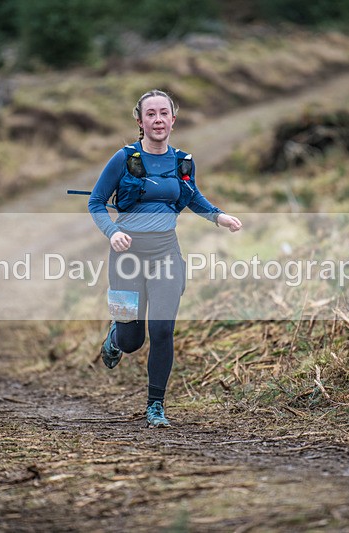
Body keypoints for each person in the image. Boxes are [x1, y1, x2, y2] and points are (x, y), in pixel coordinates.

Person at [88, 89, 242, 428]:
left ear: (173, 119)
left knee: (162, 330)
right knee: (133, 340)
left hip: (165, 254)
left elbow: (192, 197)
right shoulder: (124, 158)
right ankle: (115, 337)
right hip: (127, 256)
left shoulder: (183, 162)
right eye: (150, 114)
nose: (158, 120)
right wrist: (113, 233)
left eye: (163, 113)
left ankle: (155, 407)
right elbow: (96, 202)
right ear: (140, 121)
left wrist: (219, 217)